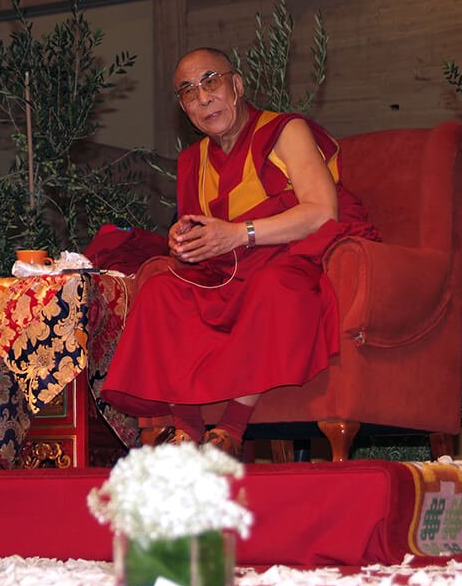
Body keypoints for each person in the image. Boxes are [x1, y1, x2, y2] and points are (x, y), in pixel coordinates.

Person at [100, 47, 378, 457]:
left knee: (275, 287)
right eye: (189, 92)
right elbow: (209, 238)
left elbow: (322, 212)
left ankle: (232, 427)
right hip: (230, 270)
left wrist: (239, 234)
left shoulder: (286, 132)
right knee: (160, 287)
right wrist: (186, 238)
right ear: (184, 108)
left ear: (238, 85)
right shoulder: (193, 161)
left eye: (211, 81)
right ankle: (186, 428)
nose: (203, 98)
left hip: (289, 257)